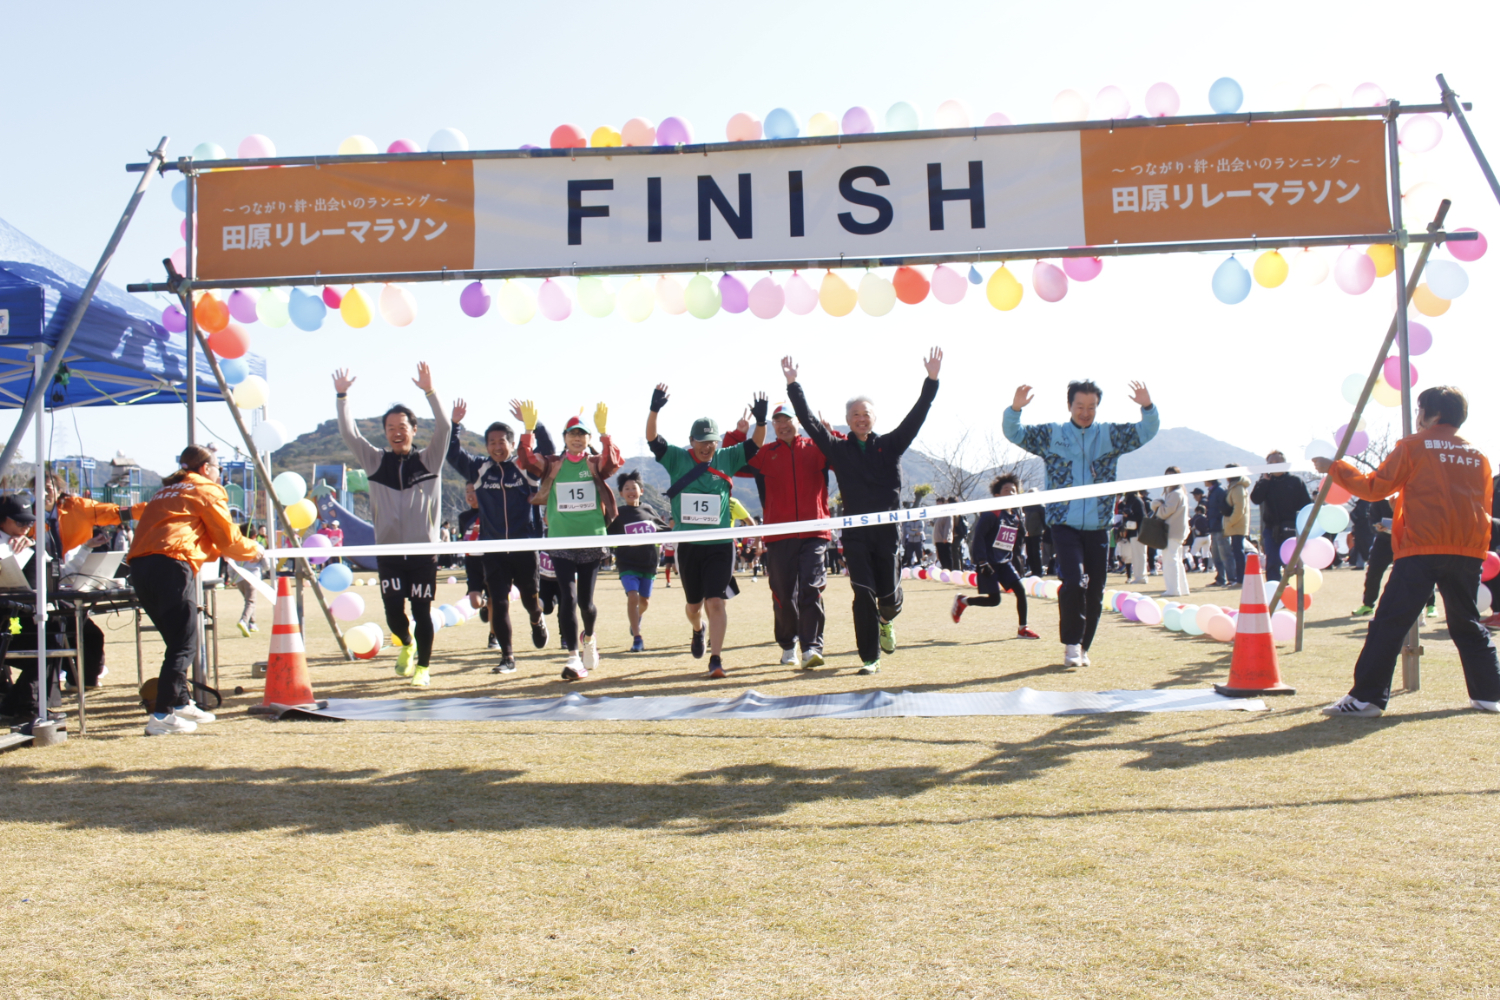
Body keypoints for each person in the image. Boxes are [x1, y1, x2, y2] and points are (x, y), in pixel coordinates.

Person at [1312, 386, 1500, 716]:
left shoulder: (1413, 445)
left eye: (1420, 409)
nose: (1417, 416)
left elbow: (1373, 487)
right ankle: (1490, 695)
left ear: (1433, 413)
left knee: (1389, 622)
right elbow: (1479, 503)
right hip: (1467, 549)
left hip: (1422, 547)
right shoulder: (1478, 454)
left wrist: (1335, 467)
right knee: (1467, 623)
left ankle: (1367, 698)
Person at [785, 349, 942, 674]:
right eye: (855, 414)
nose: (860, 418)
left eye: (865, 413)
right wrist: (793, 385)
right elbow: (810, 423)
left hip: (887, 533)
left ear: (874, 417)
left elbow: (917, 417)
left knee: (889, 597)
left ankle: (887, 621)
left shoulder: (890, 445)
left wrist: (931, 380)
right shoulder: (838, 449)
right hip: (856, 535)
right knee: (863, 593)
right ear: (848, 420)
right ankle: (870, 658)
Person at [1004, 378, 1158, 667]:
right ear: (1069, 406)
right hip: (1064, 524)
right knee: (1073, 581)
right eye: (1080, 406)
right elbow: (1014, 432)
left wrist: (1147, 407)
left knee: (1096, 589)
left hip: (1099, 525)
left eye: (1091, 407)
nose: (1085, 412)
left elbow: (1146, 431)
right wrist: (1015, 409)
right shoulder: (1053, 434)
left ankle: (1084, 647)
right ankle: (1071, 645)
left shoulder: (1109, 434)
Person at [126, 445, 263, 735]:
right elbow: (228, 540)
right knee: (184, 643)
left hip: (140, 568)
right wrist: (255, 550)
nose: (219, 475)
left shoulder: (164, 492)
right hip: (171, 565)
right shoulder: (206, 489)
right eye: (218, 469)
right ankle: (161, 716)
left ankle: (180, 703)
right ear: (205, 469)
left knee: (176, 640)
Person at [335, 362, 449, 687]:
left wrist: (430, 391)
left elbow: (445, 428)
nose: (397, 432)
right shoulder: (375, 461)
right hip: (388, 553)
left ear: (414, 429)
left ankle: (423, 667)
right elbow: (349, 433)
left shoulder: (429, 460)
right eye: (390, 428)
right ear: (385, 432)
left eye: (402, 426)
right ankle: (407, 644)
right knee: (394, 615)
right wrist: (342, 397)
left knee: (422, 612)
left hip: (423, 553)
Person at [646, 384, 764, 679]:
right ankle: (698, 629)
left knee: (716, 601)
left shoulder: (726, 458)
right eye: (701, 442)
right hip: (688, 545)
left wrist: (761, 422)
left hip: (720, 544)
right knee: (693, 606)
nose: (707, 447)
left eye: (711, 442)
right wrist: (655, 409)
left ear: (717, 442)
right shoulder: (677, 458)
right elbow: (653, 440)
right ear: (691, 441)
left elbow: (755, 445)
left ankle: (716, 659)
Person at [446, 397, 555, 674]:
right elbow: (452, 454)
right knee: (499, 602)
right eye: (491, 442)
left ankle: (537, 620)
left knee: (531, 601)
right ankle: (507, 657)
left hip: (524, 546)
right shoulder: (479, 469)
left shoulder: (525, 465)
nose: (496, 446)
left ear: (512, 443)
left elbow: (549, 452)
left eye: (502, 441)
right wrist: (454, 425)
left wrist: (534, 424)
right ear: (486, 446)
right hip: (493, 549)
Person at [518, 402, 620, 680]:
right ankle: (574, 657)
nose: (577, 438)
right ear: (564, 437)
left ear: (588, 438)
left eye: (582, 434)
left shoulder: (594, 463)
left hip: (592, 539)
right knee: (568, 598)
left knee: (586, 603)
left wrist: (605, 433)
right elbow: (527, 461)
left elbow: (612, 463)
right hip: (561, 541)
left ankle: (589, 639)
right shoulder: (553, 464)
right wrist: (528, 429)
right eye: (572, 433)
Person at [744, 400, 835, 669]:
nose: (783, 425)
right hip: (778, 534)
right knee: (783, 594)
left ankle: (812, 647)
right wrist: (741, 433)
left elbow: (845, 453)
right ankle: (788, 645)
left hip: (814, 531)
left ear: (799, 422)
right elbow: (733, 458)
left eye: (787, 420)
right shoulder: (764, 453)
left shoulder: (817, 447)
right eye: (778, 421)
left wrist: (829, 434)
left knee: (811, 588)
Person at [951, 473, 1039, 638]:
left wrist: (1018, 560)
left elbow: (1016, 542)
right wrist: (982, 562)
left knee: (1020, 590)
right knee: (994, 600)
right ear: (997, 495)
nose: (1011, 493)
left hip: (1004, 562)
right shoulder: (991, 514)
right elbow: (978, 538)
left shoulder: (1015, 516)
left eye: (1013, 491)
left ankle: (1023, 629)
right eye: (1006, 490)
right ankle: (963, 601)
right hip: (988, 563)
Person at [607, 469, 667, 652]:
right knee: (633, 596)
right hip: (627, 563)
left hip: (648, 564)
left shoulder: (648, 510)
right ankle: (637, 638)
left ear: (641, 491)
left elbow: (664, 529)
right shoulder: (618, 514)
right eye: (627, 488)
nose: (631, 491)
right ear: (621, 493)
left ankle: (636, 617)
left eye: (634, 487)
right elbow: (605, 532)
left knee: (644, 602)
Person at [1250, 451, 1311, 583]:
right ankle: (1274, 590)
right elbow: (1255, 499)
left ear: (1285, 464)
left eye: (1278, 462)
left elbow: (1306, 505)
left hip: (1292, 528)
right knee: (1272, 561)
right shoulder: (1265, 482)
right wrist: (1264, 481)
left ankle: (1293, 589)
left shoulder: (1295, 481)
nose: (1274, 465)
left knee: (1292, 562)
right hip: (1271, 528)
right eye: (1271, 463)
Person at [1152, 470, 1190, 597]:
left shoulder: (1174, 494)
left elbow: (1165, 512)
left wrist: (1156, 505)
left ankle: (1173, 589)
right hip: (1178, 531)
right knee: (1176, 560)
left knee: (1170, 560)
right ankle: (1182, 588)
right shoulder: (1181, 493)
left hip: (1172, 531)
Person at [1222, 464, 1249, 586]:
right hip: (1235, 526)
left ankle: (1241, 579)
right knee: (1237, 552)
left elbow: (1239, 509)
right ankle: (1239, 579)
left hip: (1237, 525)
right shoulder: (1234, 487)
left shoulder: (1238, 488)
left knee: (1238, 553)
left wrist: (1230, 522)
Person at [1116, 490, 1147, 584]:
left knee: (1139, 555)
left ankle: (1141, 577)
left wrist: (1128, 515)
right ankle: (1139, 576)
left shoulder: (1136, 500)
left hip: (1138, 531)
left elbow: (1141, 517)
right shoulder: (1134, 500)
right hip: (1134, 532)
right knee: (1136, 555)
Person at [1022, 492, 1047, 577]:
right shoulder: (1026, 506)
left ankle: (1039, 571)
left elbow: (1044, 520)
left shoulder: (1040, 506)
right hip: (1027, 533)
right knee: (1029, 553)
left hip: (1037, 533)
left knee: (1036, 552)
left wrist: (1045, 531)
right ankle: (1033, 571)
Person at [933, 498, 955, 570]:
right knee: (941, 557)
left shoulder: (948, 514)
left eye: (939, 503)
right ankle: (945, 569)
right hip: (938, 539)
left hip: (944, 540)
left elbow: (948, 526)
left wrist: (946, 537)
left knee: (947, 556)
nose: (937, 505)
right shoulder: (938, 514)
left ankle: (949, 570)